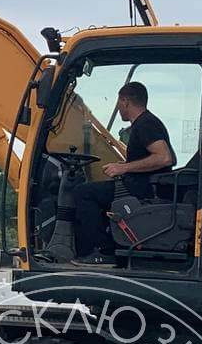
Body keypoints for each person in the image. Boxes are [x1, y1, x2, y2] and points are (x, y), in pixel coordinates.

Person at [71, 80, 175, 266]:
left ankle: (101, 251)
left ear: (125, 101)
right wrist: (125, 165)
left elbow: (165, 158)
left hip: (143, 189)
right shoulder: (146, 123)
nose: (118, 108)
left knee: (83, 193)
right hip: (143, 185)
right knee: (94, 192)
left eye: (119, 103)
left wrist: (124, 168)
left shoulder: (145, 124)